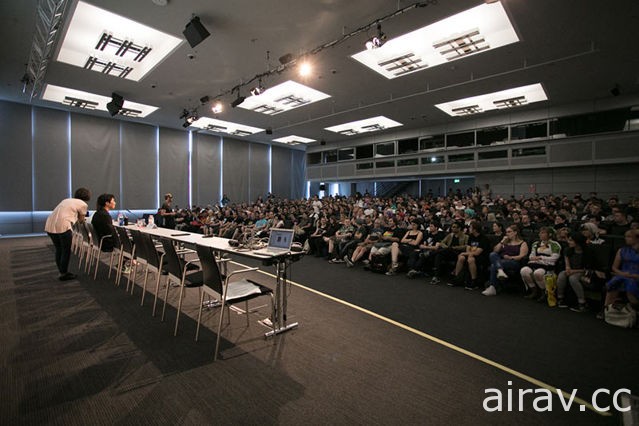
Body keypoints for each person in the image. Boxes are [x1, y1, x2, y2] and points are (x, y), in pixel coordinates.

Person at [44, 187, 91, 281]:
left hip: (50, 225)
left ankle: (61, 271)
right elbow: (81, 221)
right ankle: (64, 273)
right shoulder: (83, 204)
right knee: (66, 251)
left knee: (59, 249)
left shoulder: (66, 200)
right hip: (63, 227)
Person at [482, 225, 529, 296]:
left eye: (509, 232)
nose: (507, 234)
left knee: (493, 265)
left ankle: (492, 287)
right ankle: (500, 272)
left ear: (515, 232)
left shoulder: (522, 243)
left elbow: (522, 256)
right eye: (506, 232)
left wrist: (510, 257)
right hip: (501, 261)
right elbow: (495, 250)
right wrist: (501, 242)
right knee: (492, 254)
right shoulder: (505, 242)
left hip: (514, 262)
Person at [520, 227, 562, 301]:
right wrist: (538, 259)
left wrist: (540, 258)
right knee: (524, 270)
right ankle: (534, 290)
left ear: (550, 234)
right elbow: (531, 256)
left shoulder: (555, 244)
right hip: (536, 264)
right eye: (540, 233)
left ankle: (544, 292)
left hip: (548, 266)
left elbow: (554, 258)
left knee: (538, 273)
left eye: (543, 233)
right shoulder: (536, 244)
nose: (540, 234)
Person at [603, 229, 639, 308]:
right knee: (615, 281)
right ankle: (607, 307)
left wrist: (635, 276)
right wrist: (622, 273)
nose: (626, 238)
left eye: (629, 236)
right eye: (625, 236)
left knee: (630, 283)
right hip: (624, 274)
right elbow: (614, 267)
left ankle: (635, 308)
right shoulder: (622, 250)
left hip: (636, 276)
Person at [452, 221, 491, 289]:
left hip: (482, 256)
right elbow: (468, 248)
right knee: (461, 257)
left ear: (475, 229)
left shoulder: (483, 238)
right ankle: (457, 278)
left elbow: (477, 253)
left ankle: (474, 281)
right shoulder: (471, 236)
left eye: (470, 228)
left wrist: (467, 253)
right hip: (471, 254)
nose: (468, 229)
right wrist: (468, 254)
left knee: (471, 259)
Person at [556, 232, 588, 311]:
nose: (568, 242)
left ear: (577, 242)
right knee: (561, 275)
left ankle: (582, 302)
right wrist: (568, 269)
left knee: (573, 278)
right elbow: (567, 264)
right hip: (571, 270)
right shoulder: (568, 250)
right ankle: (560, 298)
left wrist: (573, 271)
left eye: (571, 240)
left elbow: (587, 268)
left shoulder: (587, 252)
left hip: (583, 271)